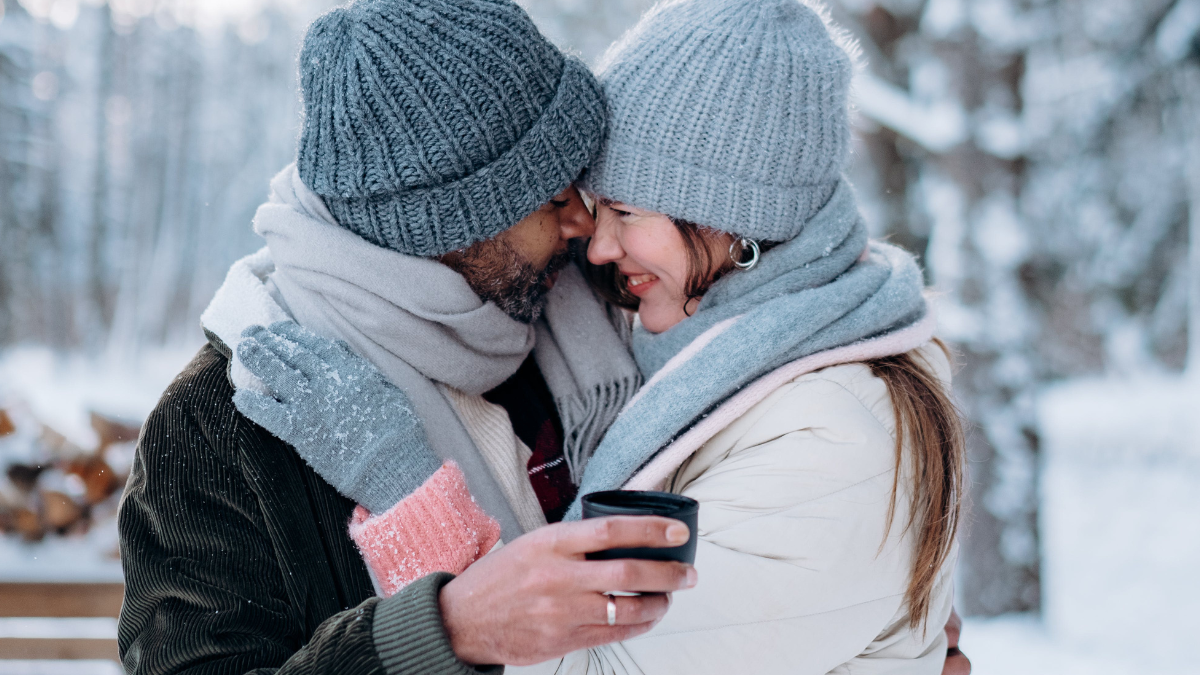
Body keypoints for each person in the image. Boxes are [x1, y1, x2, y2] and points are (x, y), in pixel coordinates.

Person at [116, 1, 695, 673]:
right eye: (550, 199)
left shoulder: (581, 311)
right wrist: (436, 633)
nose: (584, 227)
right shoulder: (217, 425)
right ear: (446, 228)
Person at [511, 0, 967, 670]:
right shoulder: (729, 356)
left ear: (735, 220)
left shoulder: (837, 436)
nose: (600, 246)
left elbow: (601, 665)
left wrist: (417, 545)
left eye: (627, 212)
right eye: (595, 206)